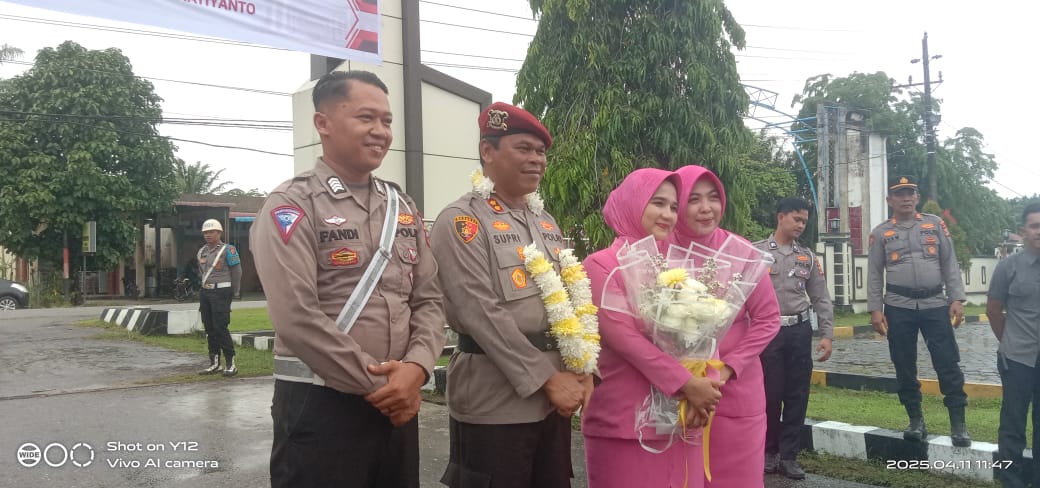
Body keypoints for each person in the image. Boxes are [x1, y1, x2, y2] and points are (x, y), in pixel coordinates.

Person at [251, 70, 446, 488]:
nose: (381, 131)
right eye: (366, 118)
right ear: (322, 123)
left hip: (398, 405)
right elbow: (296, 317)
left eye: (387, 121)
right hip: (321, 406)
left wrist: (416, 368)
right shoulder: (292, 204)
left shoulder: (401, 205)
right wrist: (383, 385)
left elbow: (429, 299)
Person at [431, 101, 590, 488]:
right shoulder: (462, 221)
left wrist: (584, 370)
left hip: (553, 399)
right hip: (495, 402)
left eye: (541, 152)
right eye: (524, 148)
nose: (537, 159)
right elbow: (479, 312)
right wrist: (547, 380)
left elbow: (571, 301)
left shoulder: (545, 221)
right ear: (488, 151)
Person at [582, 168, 722, 488]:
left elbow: (704, 334)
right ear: (633, 203)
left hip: (682, 419)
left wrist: (706, 387)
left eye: (673, 207)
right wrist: (687, 384)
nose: (668, 215)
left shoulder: (677, 266)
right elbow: (625, 339)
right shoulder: (602, 265)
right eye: (657, 203)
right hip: (624, 423)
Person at [671, 165, 780, 488]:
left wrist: (728, 369)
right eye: (694, 199)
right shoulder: (659, 251)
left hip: (733, 393)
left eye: (713, 198)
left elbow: (768, 319)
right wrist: (680, 377)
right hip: (676, 394)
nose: (706, 208)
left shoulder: (743, 254)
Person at [867, 175, 971, 446]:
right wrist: (875, 309)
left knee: (947, 362)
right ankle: (915, 420)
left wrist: (956, 298)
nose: (905, 198)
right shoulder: (880, 233)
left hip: (935, 304)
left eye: (909, 193)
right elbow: (875, 274)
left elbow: (949, 262)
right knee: (903, 364)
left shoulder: (934, 224)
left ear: (917, 197)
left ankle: (958, 424)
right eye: (899, 194)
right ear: (889, 200)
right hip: (898, 306)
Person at [755, 197, 834, 480]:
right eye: (796, 219)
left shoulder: (808, 257)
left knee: (797, 394)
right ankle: (768, 451)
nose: (801, 225)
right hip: (768, 333)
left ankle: (789, 456)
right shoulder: (757, 253)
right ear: (781, 217)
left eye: (804, 221)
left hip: (799, 331)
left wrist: (827, 334)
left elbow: (820, 297)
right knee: (769, 394)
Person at [987, 202, 1040, 488]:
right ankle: (1011, 481)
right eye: (1035, 226)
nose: (1039, 231)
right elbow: (993, 310)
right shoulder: (1008, 267)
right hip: (1017, 358)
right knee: (1013, 425)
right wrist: (1009, 342)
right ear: (1024, 231)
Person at [195, 218, 242, 377]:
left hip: (221, 292)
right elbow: (201, 272)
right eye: (205, 232)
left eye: (211, 232)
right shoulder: (202, 251)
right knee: (209, 328)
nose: (208, 235)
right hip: (205, 292)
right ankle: (214, 363)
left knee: (220, 327)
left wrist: (235, 291)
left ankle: (231, 364)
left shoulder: (229, 250)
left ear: (219, 233)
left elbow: (237, 271)